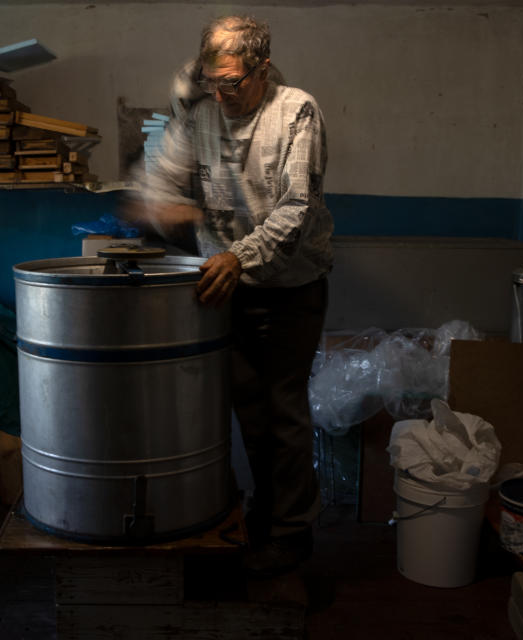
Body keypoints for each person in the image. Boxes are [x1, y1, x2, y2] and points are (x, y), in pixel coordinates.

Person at [136, 14, 333, 576]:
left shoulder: (296, 110)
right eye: (211, 82)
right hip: (222, 288)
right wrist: (155, 200)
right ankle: (263, 514)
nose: (221, 94)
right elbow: (163, 177)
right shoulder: (199, 115)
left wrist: (238, 255)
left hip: (291, 287)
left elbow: (298, 209)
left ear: (262, 68)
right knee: (248, 412)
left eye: (233, 82)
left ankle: (292, 534)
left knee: (285, 413)